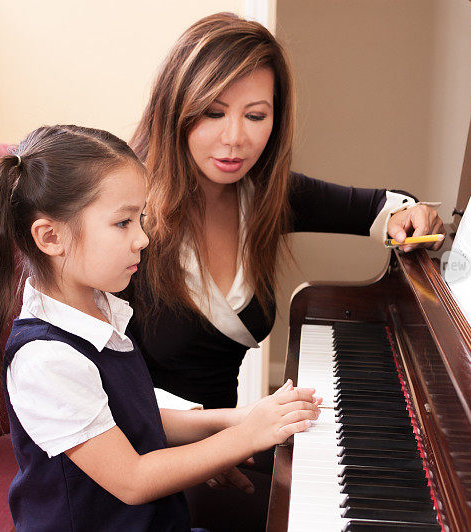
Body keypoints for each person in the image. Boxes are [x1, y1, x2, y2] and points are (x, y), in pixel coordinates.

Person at [123, 12, 445, 530]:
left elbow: (386, 208)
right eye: (212, 112)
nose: (234, 140)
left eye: (256, 115)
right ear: (175, 108)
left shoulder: (266, 197)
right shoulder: (127, 213)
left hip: (228, 451)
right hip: (145, 459)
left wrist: (414, 217)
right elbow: (104, 386)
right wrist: (221, 439)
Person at [0, 124, 320, 531]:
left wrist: (236, 419)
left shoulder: (102, 308)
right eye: (123, 223)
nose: (143, 238)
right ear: (51, 236)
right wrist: (244, 437)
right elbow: (133, 480)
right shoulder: (46, 358)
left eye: (140, 218)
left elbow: (136, 415)